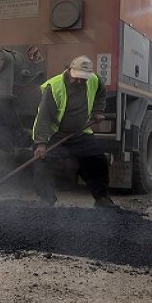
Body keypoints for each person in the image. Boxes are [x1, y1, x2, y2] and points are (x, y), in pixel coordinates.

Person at [32, 55, 118, 209]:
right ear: (70, 70)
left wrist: (98, 110)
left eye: (83, 79)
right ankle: (46, 199)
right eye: (77, 77)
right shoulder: (55, 86)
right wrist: (41, 144)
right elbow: (43, 118)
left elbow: (101, 92)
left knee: (97, 161)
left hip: (80, 132)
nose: (80, 81)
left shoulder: (94, 79)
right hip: (56, 134)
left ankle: (102, 199)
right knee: (43, 163)